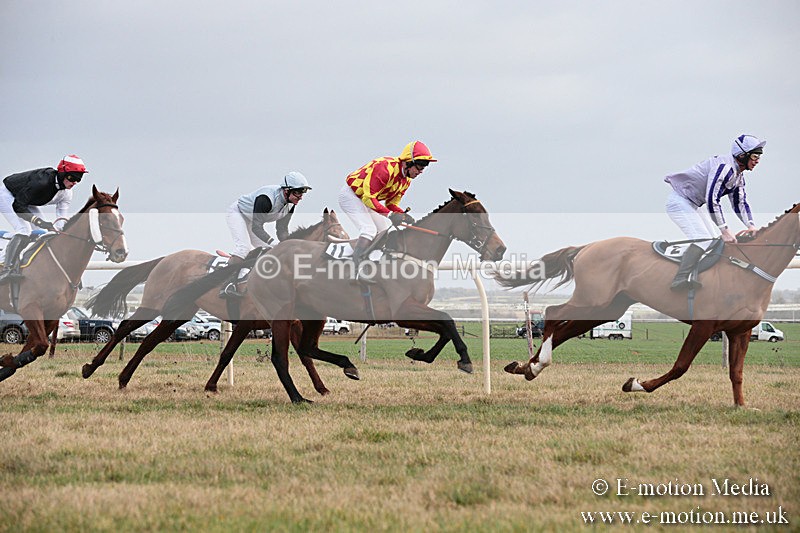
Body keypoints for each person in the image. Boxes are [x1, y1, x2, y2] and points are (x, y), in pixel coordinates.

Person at [664, 134, 765, 290]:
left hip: (694, 204)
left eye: (759, 156)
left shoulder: (738, 176)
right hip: (680, 202)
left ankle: (699, 277)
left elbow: (740, 203)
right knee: (703, 240)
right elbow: (712, 200)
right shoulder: (724, 168)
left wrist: (751, 225)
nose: (757, 160)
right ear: (742, 155)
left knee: (713, 242)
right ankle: (679, 279)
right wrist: (724, 230)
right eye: (754, 156)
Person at [337, 140, 436, 281]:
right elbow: (368, 198)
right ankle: (355, 271)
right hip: (351, 195)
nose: (420, 172)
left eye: (423, 168)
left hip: (367, 199)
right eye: (419, 167)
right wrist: (390, 215)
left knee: (383, 230)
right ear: (408, 162)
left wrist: (402, 214)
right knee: (369, 229)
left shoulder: (406, 180)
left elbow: (391, 203)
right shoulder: (385, 168)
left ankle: (370, 266)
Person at [0, 154, 87, 285]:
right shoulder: (42, 183)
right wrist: (38, 221)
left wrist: (61, 232)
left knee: (45, 234)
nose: (74, 182)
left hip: (28, 200)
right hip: (9, 196)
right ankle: (7, 269)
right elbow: (18, 206)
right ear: (62, 173)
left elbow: (61, 221)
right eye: (72, 178)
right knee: (24, 230)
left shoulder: (67, 193)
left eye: (78, 179)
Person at [222, 171, 311, 297]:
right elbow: (256, 228)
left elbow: (282, 229)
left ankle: (250, 280)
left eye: (303, 193)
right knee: (244, 248)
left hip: (252, 221)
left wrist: (288, 244)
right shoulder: (266, 199)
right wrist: (274, 243)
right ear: (286, 191)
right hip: (238, 214)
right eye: (298, 192)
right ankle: (226, 284)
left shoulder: (290, 205)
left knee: (269, 250)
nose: (301, 197)